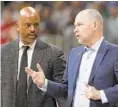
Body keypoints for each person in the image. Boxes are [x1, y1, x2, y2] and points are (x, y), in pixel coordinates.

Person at [25, 9, 118, 107]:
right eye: (75, 25)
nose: (75, 30)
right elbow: (65, 90)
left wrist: (101, 94)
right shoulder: (74, 53)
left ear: (94, 25)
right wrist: (44, 83)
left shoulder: (114, 52)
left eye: (79, 24)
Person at [1, 6, 66, 107]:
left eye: (36, 25)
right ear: (18, 26)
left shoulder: (54, 54)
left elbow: (63, 92)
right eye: (28, 25)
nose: (32, 29)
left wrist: (45, 83)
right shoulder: (3, 52)